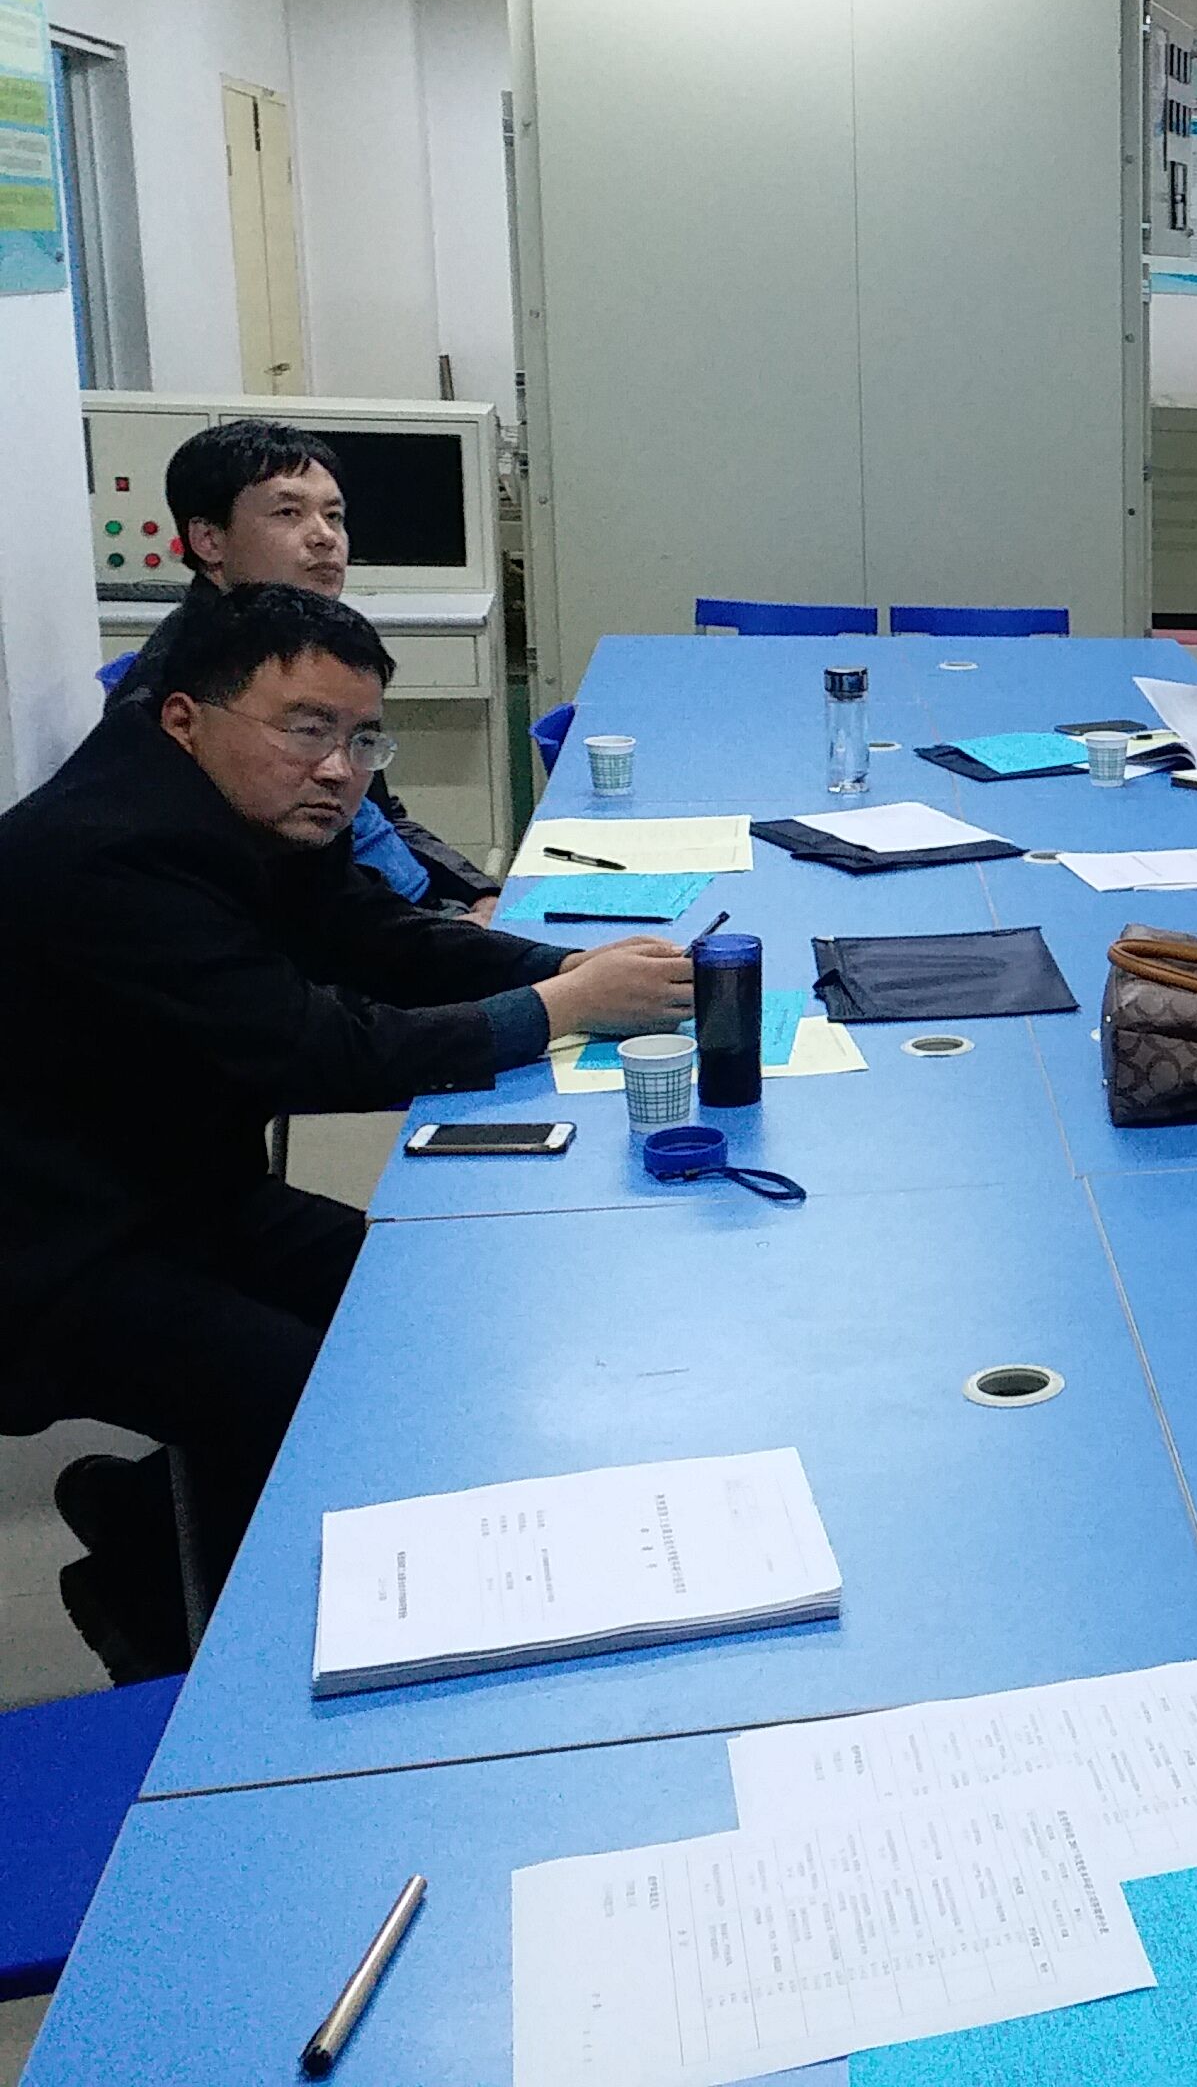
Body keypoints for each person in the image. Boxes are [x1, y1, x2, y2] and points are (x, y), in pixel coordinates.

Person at [1, 585, 696, 1678]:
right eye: (306, 728)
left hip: (170, 1187)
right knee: (314, 1399)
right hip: (54, 1249)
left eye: (364, 738)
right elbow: (319, 1052)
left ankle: (142, 1522)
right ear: (185, 718)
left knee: (415, 1306)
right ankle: (187, 1623)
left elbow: (373, 936)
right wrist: (560, 1008)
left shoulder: (246, 801)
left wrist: (563, 966)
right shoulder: (109, 856)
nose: (339, 767)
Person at [108, 416, 500, 917]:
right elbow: (286, 900)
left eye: (334, 516)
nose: (324, 537)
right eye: (288, 513)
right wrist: (452, 934)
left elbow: (382, 814)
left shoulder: (314, 646)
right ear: (209, 540)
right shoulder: (182, 693)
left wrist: (480, 893)